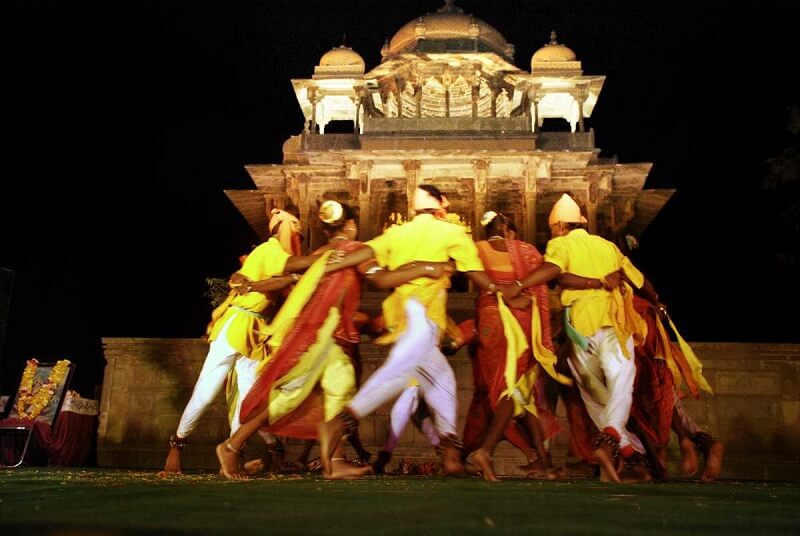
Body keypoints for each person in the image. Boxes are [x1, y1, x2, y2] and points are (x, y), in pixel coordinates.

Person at [214, 201, 455, 479]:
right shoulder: (355, 251)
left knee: (335, 391)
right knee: (294, 395)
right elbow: (381, 279)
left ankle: (335, 460)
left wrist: (254, 284)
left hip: (323, 333)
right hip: (324, 335)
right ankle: (233, 445)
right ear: (351, 224)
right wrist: (425, 269)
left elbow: (288, 276)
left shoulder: (320, 253)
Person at [316, 185, 502, 478]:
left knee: (442, 381)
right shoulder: (450, 232)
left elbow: (366, 251)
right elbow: (474, 272)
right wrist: (497, 288)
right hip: (422, 313)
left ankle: (451, 454)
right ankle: (340, 422)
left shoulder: (399, 232)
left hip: (404, 313)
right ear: (441, 204)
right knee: (399, 372)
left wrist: (334, 262)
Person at [504, 193, 656, 483]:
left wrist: (520, 284)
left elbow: (556, 273)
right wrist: (657, 301)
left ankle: (628, 452)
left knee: (595, 395)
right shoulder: (608, 246)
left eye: (552, 228)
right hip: (612, 322)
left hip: (580, 329)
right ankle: (615, 437)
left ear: (560, 225)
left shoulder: (561, 243)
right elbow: (641, 281)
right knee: (621, 381)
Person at [162, 209, 323, 475]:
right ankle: (176, 446)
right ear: (281, 226)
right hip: (236, 326)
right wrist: (323, 260)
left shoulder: (276, 256)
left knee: (248, 401)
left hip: (254, 332)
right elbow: (290, 267)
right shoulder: (269, 249)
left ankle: (235, 454)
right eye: (295, 225)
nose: (299, 232)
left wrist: (307, 269)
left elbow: (281, 279)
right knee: (206, 392)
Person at [462, 211, 569, 481]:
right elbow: (544, 281)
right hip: (511, 325)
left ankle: (542, 463)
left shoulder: (482, 249)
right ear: (511, 231)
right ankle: (484, 451)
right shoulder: (523, 251)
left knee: (523, 396)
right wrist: (510, 296)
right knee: (511, 390)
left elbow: (475, 276)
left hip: (500, 322)